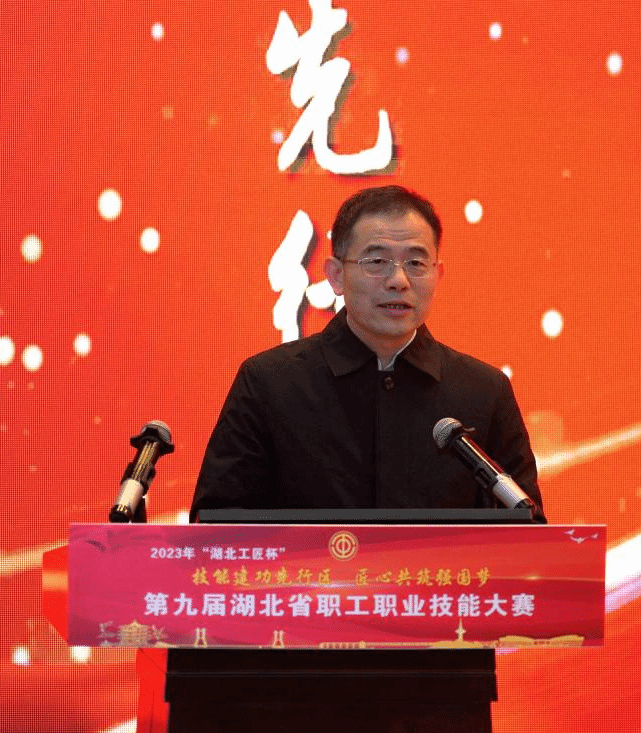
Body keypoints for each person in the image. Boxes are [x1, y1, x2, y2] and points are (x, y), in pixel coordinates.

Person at [190, 184, 544, 521]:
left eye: (416, 263)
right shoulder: (270, 385)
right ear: (335, 275)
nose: (398, 281)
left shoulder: (484, 392)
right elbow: (216, 528)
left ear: (438, 275)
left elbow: (529, 534)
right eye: (376, 261)